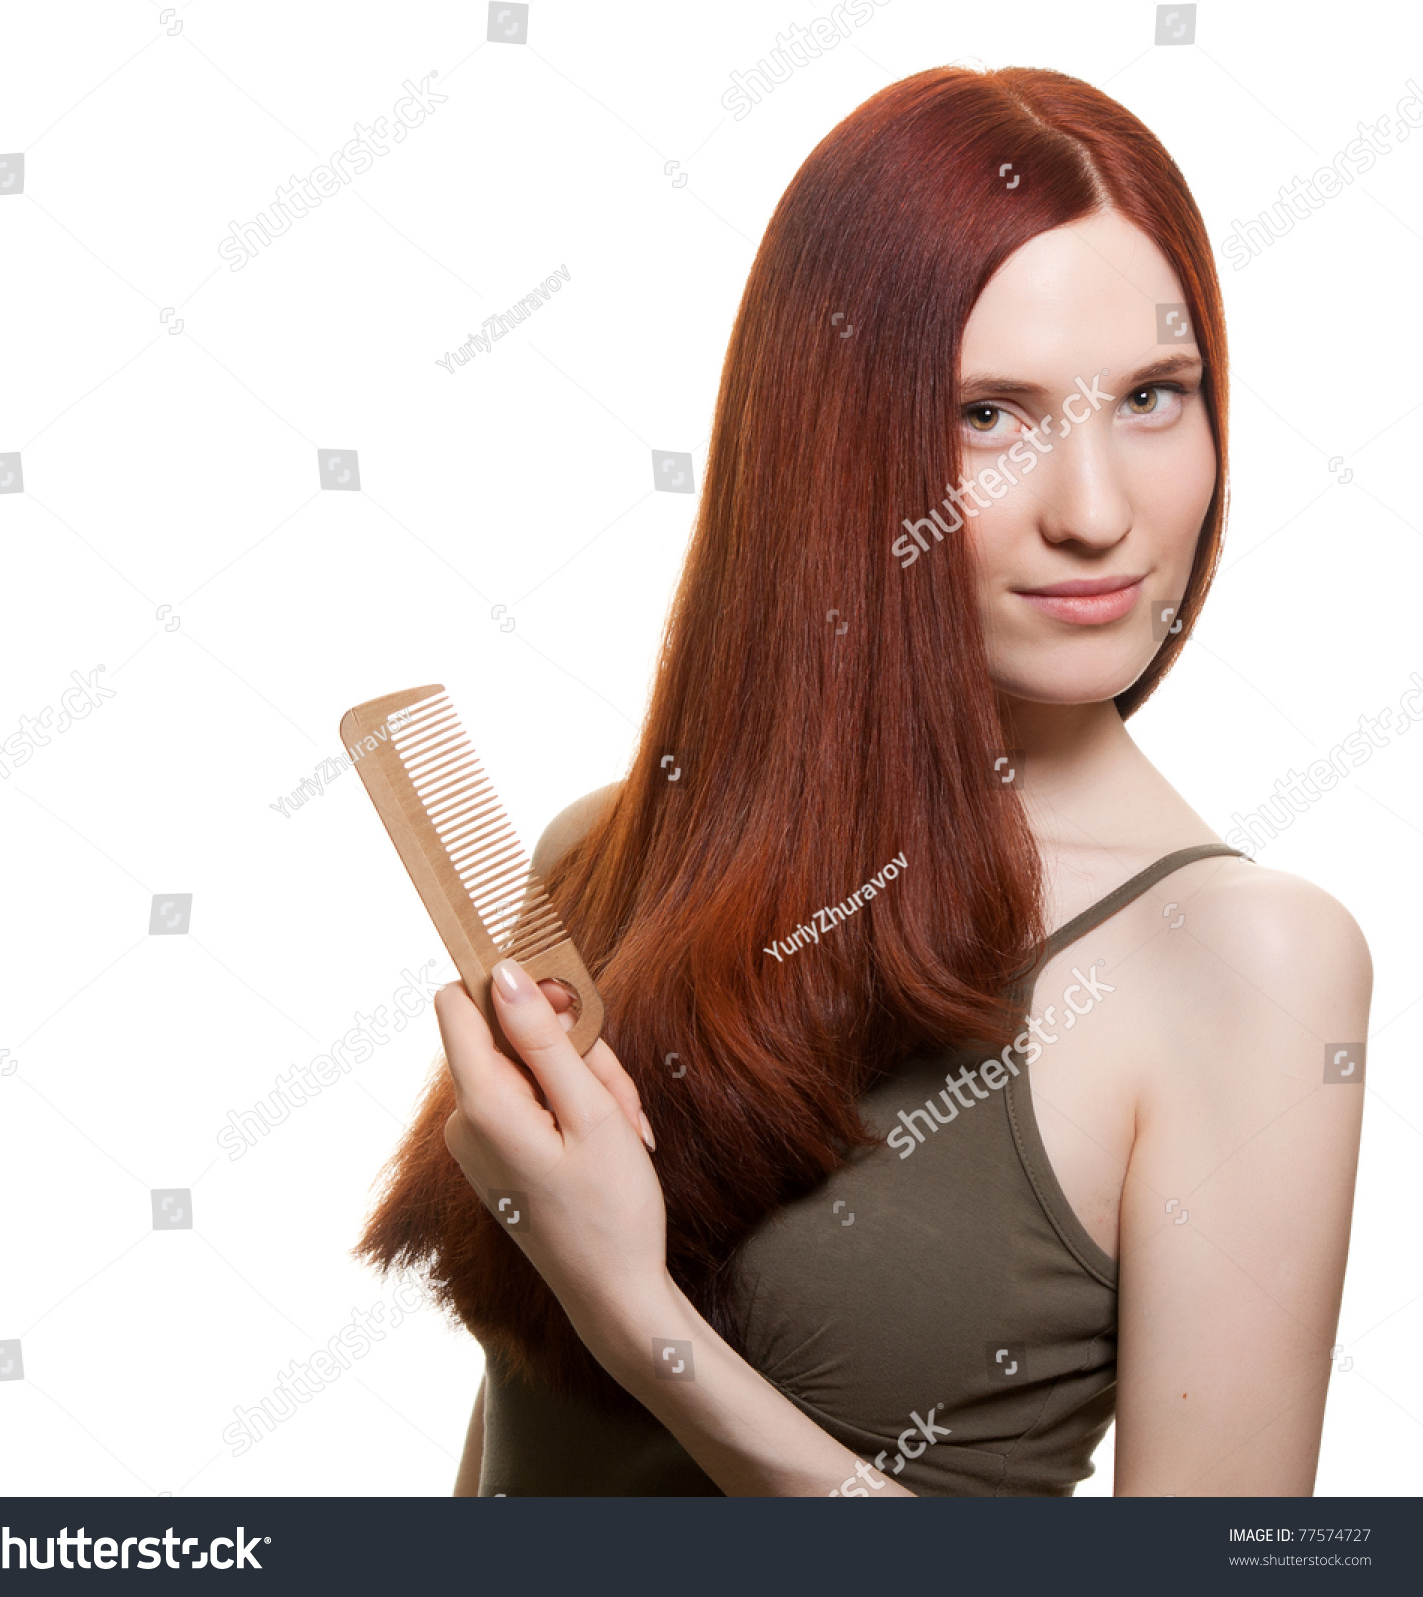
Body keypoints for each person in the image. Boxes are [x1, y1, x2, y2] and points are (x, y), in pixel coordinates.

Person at [358, 65, 1370, 1497]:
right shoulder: (613, 854)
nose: (1095, 511)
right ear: (831, 449)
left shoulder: (1248, 965)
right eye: (988, 416)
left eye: (1153, 395)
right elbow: (517, 1453)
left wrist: (647, 1323)